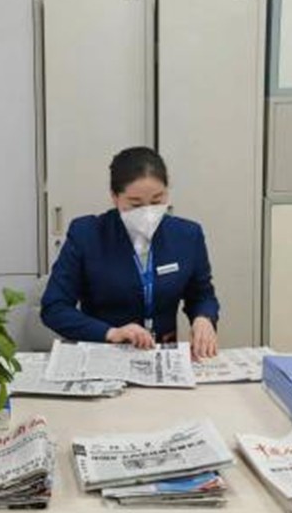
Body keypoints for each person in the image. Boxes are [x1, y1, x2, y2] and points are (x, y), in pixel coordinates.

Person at [41, 147, 220, 359]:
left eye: (157, 201)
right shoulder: (87, 235)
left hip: (161, 355)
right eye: (135, 204)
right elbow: (54, 307)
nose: (148, 212)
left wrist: (203, 318)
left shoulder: (187, 236)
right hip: (105, 354)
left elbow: (202, 295)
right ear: (115, 197)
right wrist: (111, 333)